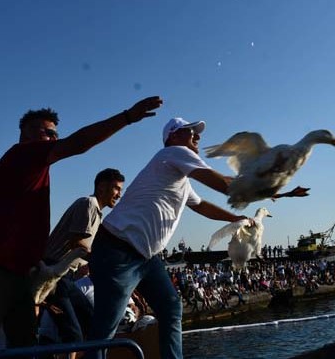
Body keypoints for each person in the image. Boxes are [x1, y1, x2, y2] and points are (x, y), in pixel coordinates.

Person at [0, 96, 162, 352]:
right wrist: (127, 117)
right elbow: (77, 144)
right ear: (24, 134)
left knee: (23, 341)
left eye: (54, 133)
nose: (51, 138)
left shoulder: (34, 171)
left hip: (18, 269)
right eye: (44, 132)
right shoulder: (22, 154)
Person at [85, 117, 254, 359]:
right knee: (106, 326)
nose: (197, 136)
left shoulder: (179, 177)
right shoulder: (174, 153)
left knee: (171, 307)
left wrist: (236, 219)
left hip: (146, 256)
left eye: (197, 132)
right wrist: (259, 186)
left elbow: (202, 205)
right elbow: (221, 183)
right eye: (190, 131)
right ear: (173, 137)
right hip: (117, 250)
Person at [41, 168, 125, 351]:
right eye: (117, 188)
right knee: (74, 333)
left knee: (92, 321)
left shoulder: (97, 213)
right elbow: (77, 243)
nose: (119, 194)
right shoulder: (88, 204)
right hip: (55, 275)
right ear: (102, 187)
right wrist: (103, 262)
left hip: (65, 277)